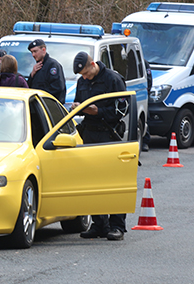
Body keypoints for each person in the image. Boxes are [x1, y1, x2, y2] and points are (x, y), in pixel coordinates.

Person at [70, 51, 127, 241]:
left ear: (93, 64)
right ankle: (99, 224)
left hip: (109, 134)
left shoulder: (113, 79)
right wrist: (77, 108)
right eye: (82, 76)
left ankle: (117, 225)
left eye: (86, 73)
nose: (84, 77)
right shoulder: (82, 82)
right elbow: (80, 104)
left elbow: (122, 109)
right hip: (90, 135)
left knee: (113, 182)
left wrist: (99, 111)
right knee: (92, 182)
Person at [27, 39, 66, 104]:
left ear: (43, 50)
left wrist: (38, 95)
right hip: (37, 106)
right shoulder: (37, 67)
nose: (33, 55)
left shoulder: (52, 65)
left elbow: (57, 88)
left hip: (50, 106)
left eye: (35, 51)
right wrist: (32, 74)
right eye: (32, 52)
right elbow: (29, 87)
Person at [142, 60, 153, 152]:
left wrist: (147, 91)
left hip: (142, 93)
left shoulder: (143, 62)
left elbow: (149, 79)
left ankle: (145, 141)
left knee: (145, 117)